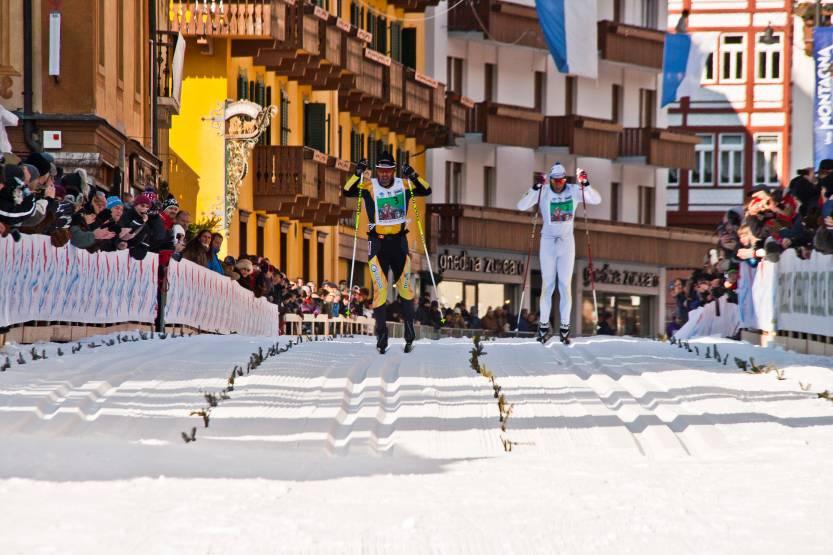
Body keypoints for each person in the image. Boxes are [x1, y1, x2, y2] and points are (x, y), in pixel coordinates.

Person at [343, 151, 430, 354]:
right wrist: (357, 173)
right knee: (380, 291)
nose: (384, 175)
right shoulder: (369, 186)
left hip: (399, 243)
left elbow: (426, 190)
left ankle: (409, 335)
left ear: (393, 171)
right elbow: (347, 191)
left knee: (406, 290)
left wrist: (414, 175)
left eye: (388, 171)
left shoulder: (404, 185)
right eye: (381, 171)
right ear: (377, 171)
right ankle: (381, 338)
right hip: (378, 244)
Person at [517, 163, 601, 344]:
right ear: (551, 180)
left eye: (562, 180)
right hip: (548, 241)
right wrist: (535, 187)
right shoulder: (544, 191)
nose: (558, 184)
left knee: (564, 285)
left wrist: (585, 183)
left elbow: (595, 199)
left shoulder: (573, 190)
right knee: (548, 286)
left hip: (566, 242)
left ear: (566, 179)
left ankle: (564, 326)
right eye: (555, 181)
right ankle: (543, 326)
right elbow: (522, 205)